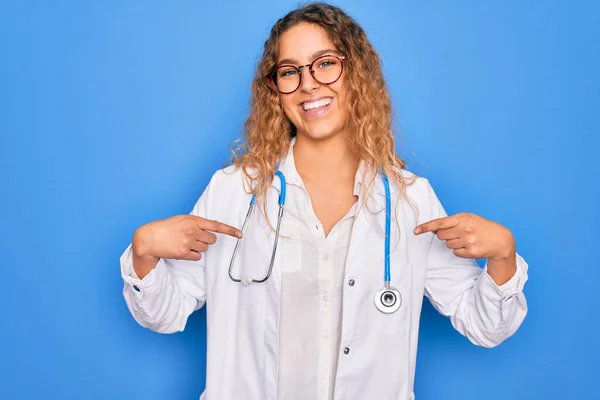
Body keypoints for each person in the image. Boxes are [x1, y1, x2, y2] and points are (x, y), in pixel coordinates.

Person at [120, 2, 529, 399]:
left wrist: (503, 256)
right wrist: (143, 255)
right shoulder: (234, 192)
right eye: (289, 72)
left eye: (325, 63)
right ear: (275, 91)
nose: (309, 83)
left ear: (357, 72)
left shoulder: (409, 201)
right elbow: (165, 313)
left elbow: (484, 325)